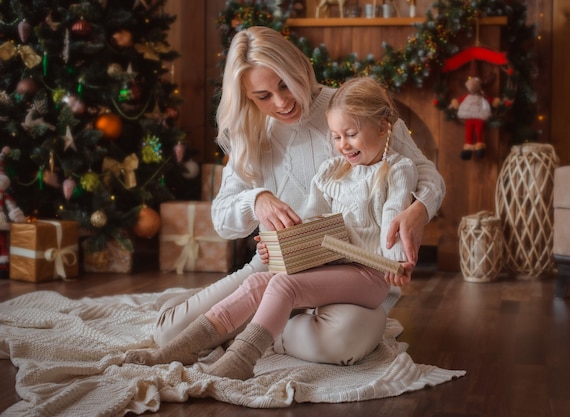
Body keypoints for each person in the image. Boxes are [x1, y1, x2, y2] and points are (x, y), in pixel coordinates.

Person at [150, 26, 445, 365]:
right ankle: (263, 321)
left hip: (349, 271)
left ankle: (256, 328)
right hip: (277, 268)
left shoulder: (352, 110)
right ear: (247, 96)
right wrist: (256, 200)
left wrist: (418, 210)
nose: (282, 101)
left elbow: (426, 174)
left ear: (300, 67)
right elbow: (222, 221)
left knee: (338, 341)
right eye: (263, 96)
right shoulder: (249, 131)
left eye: (285, 84)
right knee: (170, 336)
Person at [125, 76, 418, 380]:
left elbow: (394, 218)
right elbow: (312, 219)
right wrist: (280, 243)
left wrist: (397, 261)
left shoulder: (397, 170)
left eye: (351, 134)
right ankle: (182, 348)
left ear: (383, 127)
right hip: (332, 262)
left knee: (283, 285)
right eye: (336, 137)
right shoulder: (332, 171)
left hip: (370, 273)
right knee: (258, 282)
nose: (343, 145)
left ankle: (242, 358)